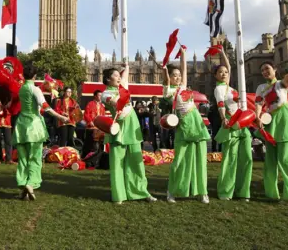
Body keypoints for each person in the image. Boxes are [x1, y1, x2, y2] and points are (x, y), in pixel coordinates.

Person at [101, 61, 157, 204]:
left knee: (136, 161)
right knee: (117, 162)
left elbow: (125, 75)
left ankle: (141, 191)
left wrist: (126, 66)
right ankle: (119, 195)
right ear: (108, 79)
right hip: (119, 128)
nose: (118, 77)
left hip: (132, 126)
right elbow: (115, 103)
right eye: (115, 75)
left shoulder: (123, 87)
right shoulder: (105, 93)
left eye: (119, 75)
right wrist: (122, 93)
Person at [13, 63, 69, 200]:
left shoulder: (21, 89)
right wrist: (61, 117)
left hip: (21, 125)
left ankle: (23, 185)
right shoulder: (35, 89)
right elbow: (45, 106)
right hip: (34, 126)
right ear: (34, 76)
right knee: (34, 157)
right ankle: (31, 183)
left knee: (23, 158)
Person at [163, 47, 211, 204]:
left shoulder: (183, 87)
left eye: (178, 76)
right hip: (184, 125)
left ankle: (202, 192)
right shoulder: (168, 91)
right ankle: (172, 191)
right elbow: (165, 81)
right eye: (174, 75)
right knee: (179, 161)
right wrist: (165, 68)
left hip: (197, 123)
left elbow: (184, 70)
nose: (177, 78)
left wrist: (183, 55)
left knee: (200, 161)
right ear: (169, 77)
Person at [255, 62, 288, 205]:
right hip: (270, 124)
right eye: (262, 70)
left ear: (274, 70)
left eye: (267, 68)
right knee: (270, 161)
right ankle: (271, 193)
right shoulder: (261, 88)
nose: (264, 71)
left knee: (285, 160)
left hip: (284, 122)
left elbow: (287, 79)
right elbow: (258, 103)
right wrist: (257, 117)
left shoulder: (281, 84)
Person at [213, 45, 252, 201]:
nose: (224, 73)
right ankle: (225, 191)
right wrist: (224, 119)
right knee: (230, 159)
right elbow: (220, 104)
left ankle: (243, 192)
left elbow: (229, 65)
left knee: (247, 159)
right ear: (215, 75)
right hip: (231, 123)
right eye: (220, 72)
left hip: (242, 124)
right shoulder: (219, 89)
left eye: (226, 72)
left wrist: (223, 53)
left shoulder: (230, 86)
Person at [82, 90, 105, 157]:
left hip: (99, 128)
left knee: (99, 144)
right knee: (89, 144)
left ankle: (97, 158)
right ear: (95, 96)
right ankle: (86, 157)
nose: (100, 97)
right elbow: (86, 114)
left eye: (101, 95)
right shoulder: (90, 104)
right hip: (91, 127)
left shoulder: (102, 106)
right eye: (99, 95)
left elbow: (103, 116)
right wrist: (90, 121)